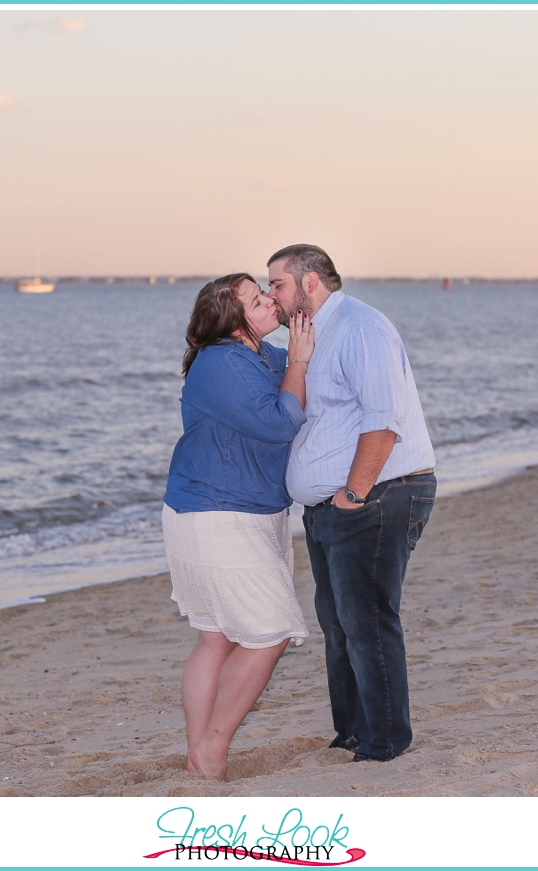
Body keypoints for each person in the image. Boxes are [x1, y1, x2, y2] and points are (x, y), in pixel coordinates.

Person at [266, 244, 436, 763]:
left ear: (309, 283)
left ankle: (386, 741)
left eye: (276, 285)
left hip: (376, 497)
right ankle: (355, 732)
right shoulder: (314, 335)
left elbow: (384, 418)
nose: (271, 295)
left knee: (367, 620)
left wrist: (354, 494)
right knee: (338, 622)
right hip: (333, 507)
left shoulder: (361, 327)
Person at [162, 271, 316, 781]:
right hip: (216, 515)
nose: (270, 300)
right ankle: (214, 746)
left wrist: (301, 347)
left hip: (247, 512)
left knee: (216, 638)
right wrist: (298, 361)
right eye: (257, 300)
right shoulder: (219, 365)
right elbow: (278, 421)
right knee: (270, 632)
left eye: (266, 290)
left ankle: (199, 759)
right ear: (234, 325)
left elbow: (304, 384)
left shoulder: (258, 356)